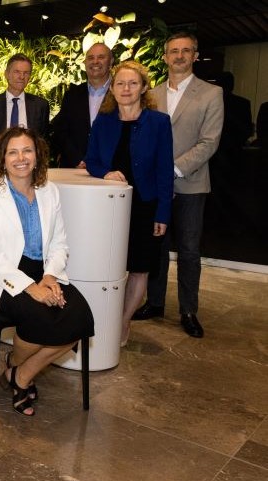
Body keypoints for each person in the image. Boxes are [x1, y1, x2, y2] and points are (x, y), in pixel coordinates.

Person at [0, 127, 94, 416]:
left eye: (27, 150)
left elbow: (59, 241)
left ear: (37, 155)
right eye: (13, 152)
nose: (21, 158)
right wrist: (31, 288)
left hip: (43, 271)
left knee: (79, 319)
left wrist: (50, 276)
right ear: (2, 158)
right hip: (0, 275)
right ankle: (20, 373)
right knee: (40, 319)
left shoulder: (49, 191)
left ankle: (19, 374)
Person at [133, 32, 224, 339]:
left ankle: (188, 311)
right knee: (156, 247)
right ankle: (155, 303)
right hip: (154, 189)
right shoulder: (152, 95)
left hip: (191, 184)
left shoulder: (211, 94)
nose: (180, 56)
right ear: (165, 57)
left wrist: (170, 170)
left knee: (187, 250)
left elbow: (209, 142)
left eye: (186, 51)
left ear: (195, 55)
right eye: (174, 51)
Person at [84, 61, 175, 347]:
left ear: (144, 87)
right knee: (111, 267)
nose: (126, 89)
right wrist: (105, 173)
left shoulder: (159, 123)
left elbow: (164, 170)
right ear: (112, 88)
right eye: (120, 83)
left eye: (133, 83)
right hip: (110, 207)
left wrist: (163, 212)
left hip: (145, 206)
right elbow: (92, 160)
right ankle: (106, 319)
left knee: (138, 268)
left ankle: (122, 323)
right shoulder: (104, 120)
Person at [0, 53, 50, 168]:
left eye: (26, 73)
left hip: (28, 169)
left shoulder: (40, 105)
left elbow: (43, 141)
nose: (21, 77)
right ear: (6, 74)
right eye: (17, 72)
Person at [51, 43, 113, 168]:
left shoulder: (121, 94)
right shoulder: (71, 95)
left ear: (111, 62)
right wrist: (78, 160)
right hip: (75, 171)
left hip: (111, 170)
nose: (95, 61)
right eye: (90, 58)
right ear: (85, 63)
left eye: (101, 57)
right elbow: (60, 131)